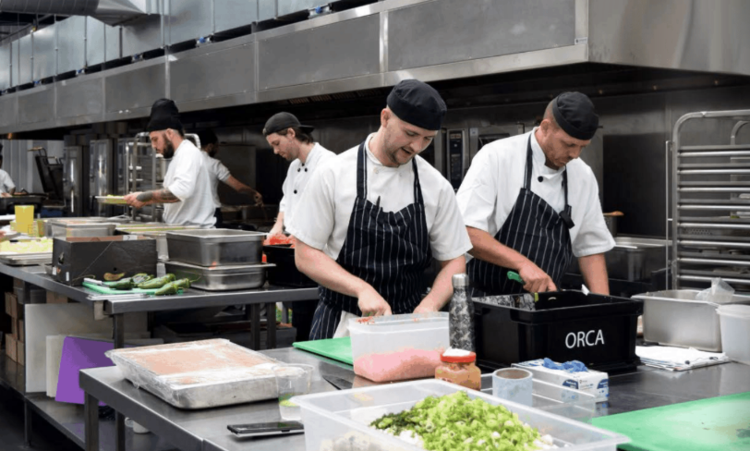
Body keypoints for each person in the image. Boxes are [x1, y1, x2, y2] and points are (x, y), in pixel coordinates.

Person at [287, 79, 472, 340]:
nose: (416, 147)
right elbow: (305, 254)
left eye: (427, 139)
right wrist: (361, 289)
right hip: (342, 325)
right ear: (385, 118)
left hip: (410, 326)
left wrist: (429, 306)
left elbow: (455, 260)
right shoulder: (334, 174)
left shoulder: (436, 186)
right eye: (409, 134)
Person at [456, 91, 614, 295]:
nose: (575, 155)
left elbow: (591, 249)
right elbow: (466, 232)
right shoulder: (497, 157)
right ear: (546, 127)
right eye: (569, 144)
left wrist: (603, 308)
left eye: (582, 147)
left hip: (544, 305)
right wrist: (522, 264)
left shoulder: (582, 175)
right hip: (485, 303)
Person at [124, 99, 215, 227]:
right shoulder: (178, 156)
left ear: (169, 133)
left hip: (194, 233)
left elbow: (180, 192)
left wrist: (145, 196)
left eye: (155, 139)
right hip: (183, 232)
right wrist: (146, 200)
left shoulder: (188, 152)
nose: (153, 146)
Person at [263, 112, 336, 238]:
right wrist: (278, 225)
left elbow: (329, 212)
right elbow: (287, 198)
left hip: (319, 245)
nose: (275, 151)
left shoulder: (327, 163)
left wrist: (302, 236)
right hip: (296, 241)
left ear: (291, 133)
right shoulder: (294, 166)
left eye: (277, 143)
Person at [195, 129, 264, 227]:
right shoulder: (214, 164)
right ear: (210, 146)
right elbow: (238, 187)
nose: (217, 150)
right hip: (211, 212)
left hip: (192, 212)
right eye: (216, 146)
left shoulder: (185, 162)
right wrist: (254, 192)